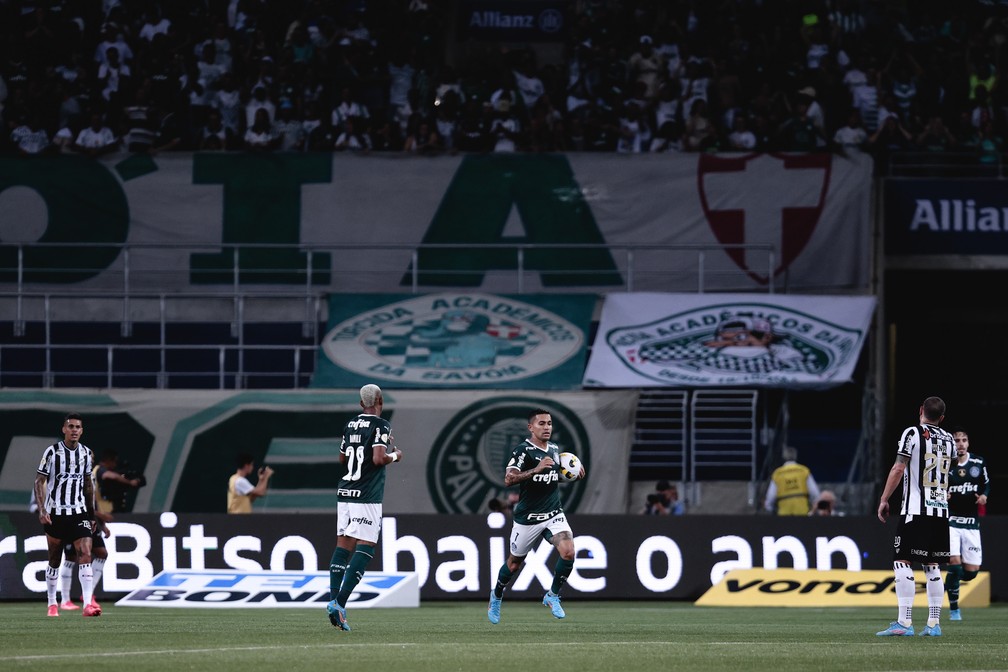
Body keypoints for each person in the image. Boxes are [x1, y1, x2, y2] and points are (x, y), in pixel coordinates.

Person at [487, 408, 585, 625]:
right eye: (541, 423)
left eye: (549, 423)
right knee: (513, 565)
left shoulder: (554, 448)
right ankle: (497, 595)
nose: (547, 427)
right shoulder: (523, 451)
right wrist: (535, 470)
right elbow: (509, 479)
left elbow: (551, 477)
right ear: (531, 427)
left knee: (568, 552)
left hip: (553, 513)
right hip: (528, 518)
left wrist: (571, 475)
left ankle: (552, 595)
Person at [876, 396, 955, 637]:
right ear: (941, 418)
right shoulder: (950, 439)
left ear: (921, 410)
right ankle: (933, 624)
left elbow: (899, 467)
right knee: (932, 566)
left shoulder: (912, 433)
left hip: (915, 510)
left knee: (902, 561)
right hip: (940, 512)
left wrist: (884, 499)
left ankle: (905, 622)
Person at [327, 384, 402, 632]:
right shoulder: (381, 425)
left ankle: (334, 603)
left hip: (345, 491)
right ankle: (340, 603)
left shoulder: (350, 425)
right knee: (366, 546)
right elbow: (379, 458)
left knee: (343, 545)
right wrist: (395, 456)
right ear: (380, 400)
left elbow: (341, 458)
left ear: (361, 403)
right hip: (366, 494)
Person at [34, 412, 102, 617]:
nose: (74, 430)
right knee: (54, 559)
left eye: (77, 427)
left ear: (82, 430)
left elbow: (88, 485)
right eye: (70, 426)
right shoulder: (52, 452)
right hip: (56, 513)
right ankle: (52, 603)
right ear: (64, 429)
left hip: (79, 512)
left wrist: (91, 516)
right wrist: (42, 510)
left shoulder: (86, 454)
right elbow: (39, 481)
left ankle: (88, 604)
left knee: (85, 553)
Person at [945, 427, 989, 621]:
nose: (960, 444)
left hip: (971, 523)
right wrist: (942, 494)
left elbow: (986, 484)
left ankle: (949, 581)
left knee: (971, 573)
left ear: (968, 443)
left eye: (963, 440)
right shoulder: (946, 464)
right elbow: (935, 485)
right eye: (956, 440)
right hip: (951, 521)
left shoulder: (978, 462)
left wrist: (984, 496)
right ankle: (954, 609)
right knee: (954, 563)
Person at [764, 446, 820, 515]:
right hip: (802, 512)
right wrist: (813, 509)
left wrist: (770, 509)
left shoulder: (777, 473)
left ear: (784, 458)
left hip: (784, 514)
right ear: (795, 457)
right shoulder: (804, 471)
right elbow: (815, 493)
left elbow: (771, 496)